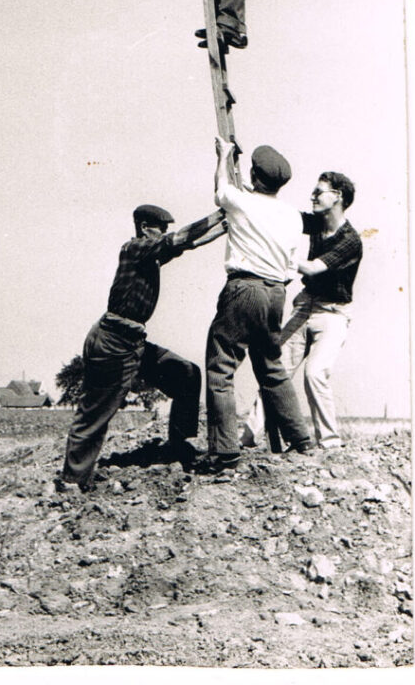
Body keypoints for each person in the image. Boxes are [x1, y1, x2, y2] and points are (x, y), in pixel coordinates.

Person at [58, 203, 227, 492]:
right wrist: (218, 214)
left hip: (133, 340)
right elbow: (181, 238)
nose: (165, 232)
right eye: (160, 228)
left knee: (187, 374)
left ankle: (178, 445)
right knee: (96, 412)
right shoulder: (135, 248)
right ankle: (72, 480)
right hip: (113, 342)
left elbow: (190, 243)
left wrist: (226, 226)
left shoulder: (152, 255)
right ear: (144, 227)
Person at [195, 136, 313, 475]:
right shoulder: (292, 216)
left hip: (244, 287)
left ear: (255, 175)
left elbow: (221, 191)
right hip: (277, 292)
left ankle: (225, 452)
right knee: (271, 366)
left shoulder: (243, 202)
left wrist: (222, 156)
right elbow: (292, 267)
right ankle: (301, 440)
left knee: (220, 366)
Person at [243, 172, 363, 450]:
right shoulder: (317, 223)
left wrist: (276, 252)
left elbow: (311, 267)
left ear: (338, 197)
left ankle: (330, 443)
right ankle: (247, 437)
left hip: (332, 315)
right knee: (275, 372)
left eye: (319, 192)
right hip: (305, 304)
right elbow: (284, 215)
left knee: (315, 373)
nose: (312, 196)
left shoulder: (351, 241)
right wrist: (257, 194)